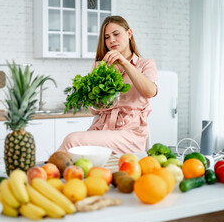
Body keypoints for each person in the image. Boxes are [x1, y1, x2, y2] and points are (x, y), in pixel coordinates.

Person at [57, 15, 158, 154]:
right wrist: (91, 99)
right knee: (78, 153)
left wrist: (124, 62)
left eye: (116, 34)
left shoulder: (145, 64)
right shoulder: (101, 66)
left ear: (129, 33)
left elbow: (150, 91)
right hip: (102, 128)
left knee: (72, 140)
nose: (111, 40)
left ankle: (50, 173)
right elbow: (96, 109)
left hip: (130, 133)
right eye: (107, 37)